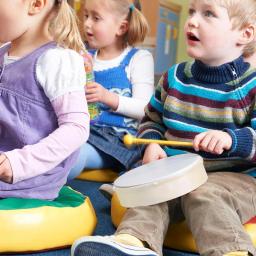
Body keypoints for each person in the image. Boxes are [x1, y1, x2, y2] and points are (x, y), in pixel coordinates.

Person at [71, 0, 256, 255]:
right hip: (176, 176)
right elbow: (151, 119)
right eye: (192, 12)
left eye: (208, 14)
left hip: (236, 180)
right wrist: (153, 142)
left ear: (244, 34)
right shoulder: (174, 76)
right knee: (153, 191)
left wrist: (231, 139)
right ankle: (133, 244)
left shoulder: (251, 85)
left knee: (204, 193)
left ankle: (231, 251)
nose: (192, 20)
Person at [0, 0, 90, 200]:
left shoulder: (57, 60)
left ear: (36, 4)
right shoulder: (4, 52)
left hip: (26, 175)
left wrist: (18, 163)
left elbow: (76, 128)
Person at [67, 0, 154, 180]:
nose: (87, 23)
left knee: (73, 153)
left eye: (96, 18)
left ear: (121, 28)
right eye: (86, 16)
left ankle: (38, 191)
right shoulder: (85, 58)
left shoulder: (138, 59)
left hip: (118, 140)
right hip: (84, 131)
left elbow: (146, 109)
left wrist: (108, 97)